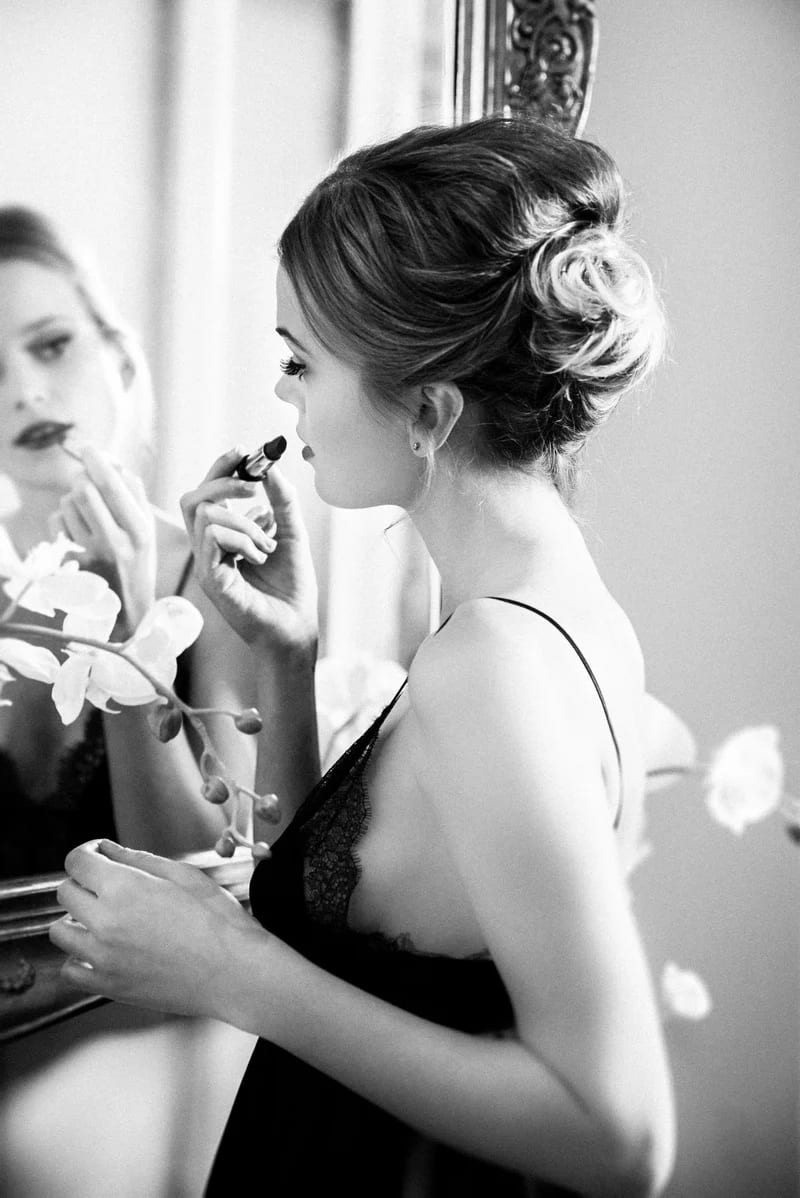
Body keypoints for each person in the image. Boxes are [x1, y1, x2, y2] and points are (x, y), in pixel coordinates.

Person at [49, 116, 676, 1197]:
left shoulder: (490, 662)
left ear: (427, 409)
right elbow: (367, 929)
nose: (283, 398)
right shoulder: (542, 607)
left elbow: (617, 1135)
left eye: (300, 362)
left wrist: (232, 975)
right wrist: (286, 659)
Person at [0, 206, 256, 876]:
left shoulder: (219, 574)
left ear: (116, 352)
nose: (26, 393)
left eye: (52, 345)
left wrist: (125, 618)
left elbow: (219, 874)